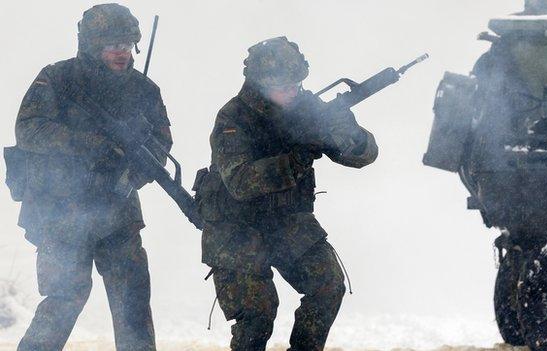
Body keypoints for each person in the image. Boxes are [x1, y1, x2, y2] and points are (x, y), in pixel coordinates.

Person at [196, 36, 378, 351]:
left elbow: (364, 155)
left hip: (285, 222)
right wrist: (296, 159)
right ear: (260, 85)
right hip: (235, 229)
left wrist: (345, 132)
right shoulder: (233, 118)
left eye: (296, 84)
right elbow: (240, 182)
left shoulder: (307, 107)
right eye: (283, 86)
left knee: (328, 285)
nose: (293, 92)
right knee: (258, 314)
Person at [13, 4, 172, 350]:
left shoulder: (144, 90)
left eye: (127, 43)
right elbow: (28, 129)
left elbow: (161, 143)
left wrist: (138, 168)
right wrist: (87, 144)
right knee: (63, 299)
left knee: (132, 302)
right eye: (112, 43)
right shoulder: (57, 79)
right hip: (62, 212)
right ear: (91, 44)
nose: (121, 51)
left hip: (118, 210)